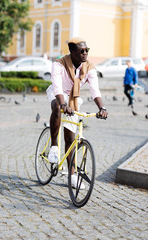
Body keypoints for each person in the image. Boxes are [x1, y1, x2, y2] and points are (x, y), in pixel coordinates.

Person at [46, 37, 108, 188]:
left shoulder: (89, 67)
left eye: (87, 50)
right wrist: (62, 104)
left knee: (70, 137)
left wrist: (102, 108)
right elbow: (57, 87)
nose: (85, 53)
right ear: (72, 52)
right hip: (57, 94)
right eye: (82, 51)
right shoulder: (58, 64)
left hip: (74, 98)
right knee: (56, 107)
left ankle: (72, 175)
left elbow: (95, 90)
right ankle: (53, 146)